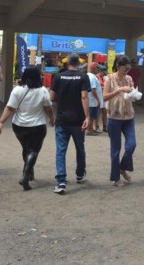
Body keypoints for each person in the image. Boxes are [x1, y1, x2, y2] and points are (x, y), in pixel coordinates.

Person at [0, 66, 54, 191]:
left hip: (19, 126)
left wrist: (1, 122)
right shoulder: (43, 91)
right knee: (33, 150)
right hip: (37, 126)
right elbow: (48, 108)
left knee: (26, 148)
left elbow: (10, 107)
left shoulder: (17, 90)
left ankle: (29, 172)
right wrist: (52, 119)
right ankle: (26, 175)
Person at [49, 53, 91, 194]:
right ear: (78, 63)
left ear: (67, 63)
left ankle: (61, 181)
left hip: (62, 120)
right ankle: (80, 173)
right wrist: (87, 117)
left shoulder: (58, 77)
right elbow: (84, 97)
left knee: (61, 150)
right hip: (78, 120)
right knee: (80, 148)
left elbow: (51, 97)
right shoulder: (83, 77)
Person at [102, 55, 135, 188]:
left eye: (128, 68)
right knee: (116, 149)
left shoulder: (129, 78)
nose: (127, 71)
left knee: (131, 145)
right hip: (114, 118)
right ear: (118, 66)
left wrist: (134, 94)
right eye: (124, 68)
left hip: (129, 117)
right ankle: (115, 177)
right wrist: (120, 89)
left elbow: (131, 94)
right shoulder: (109, 79)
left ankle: (122, 167)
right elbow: (104, 97)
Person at [86, 62, 104, 135]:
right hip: (93, 101)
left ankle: (90, 129)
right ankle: (89, 131)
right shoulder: (92, 77)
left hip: (90, 100)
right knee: (91, 117)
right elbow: (93, 90)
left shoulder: (88, 75)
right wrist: (97, 100)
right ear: (94, 69)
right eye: (97, 68)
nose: (98, 70)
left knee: (91, 116)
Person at [98, 65, 108, 132]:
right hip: (98, 97)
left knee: (105, 112)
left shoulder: (104, 77)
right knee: (97, 113)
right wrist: (103, 87)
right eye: (103, 72)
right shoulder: (96, 77)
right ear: (100, 71)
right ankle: (96, 126)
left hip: (104, 97)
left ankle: (104, 126)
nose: (104, 74)